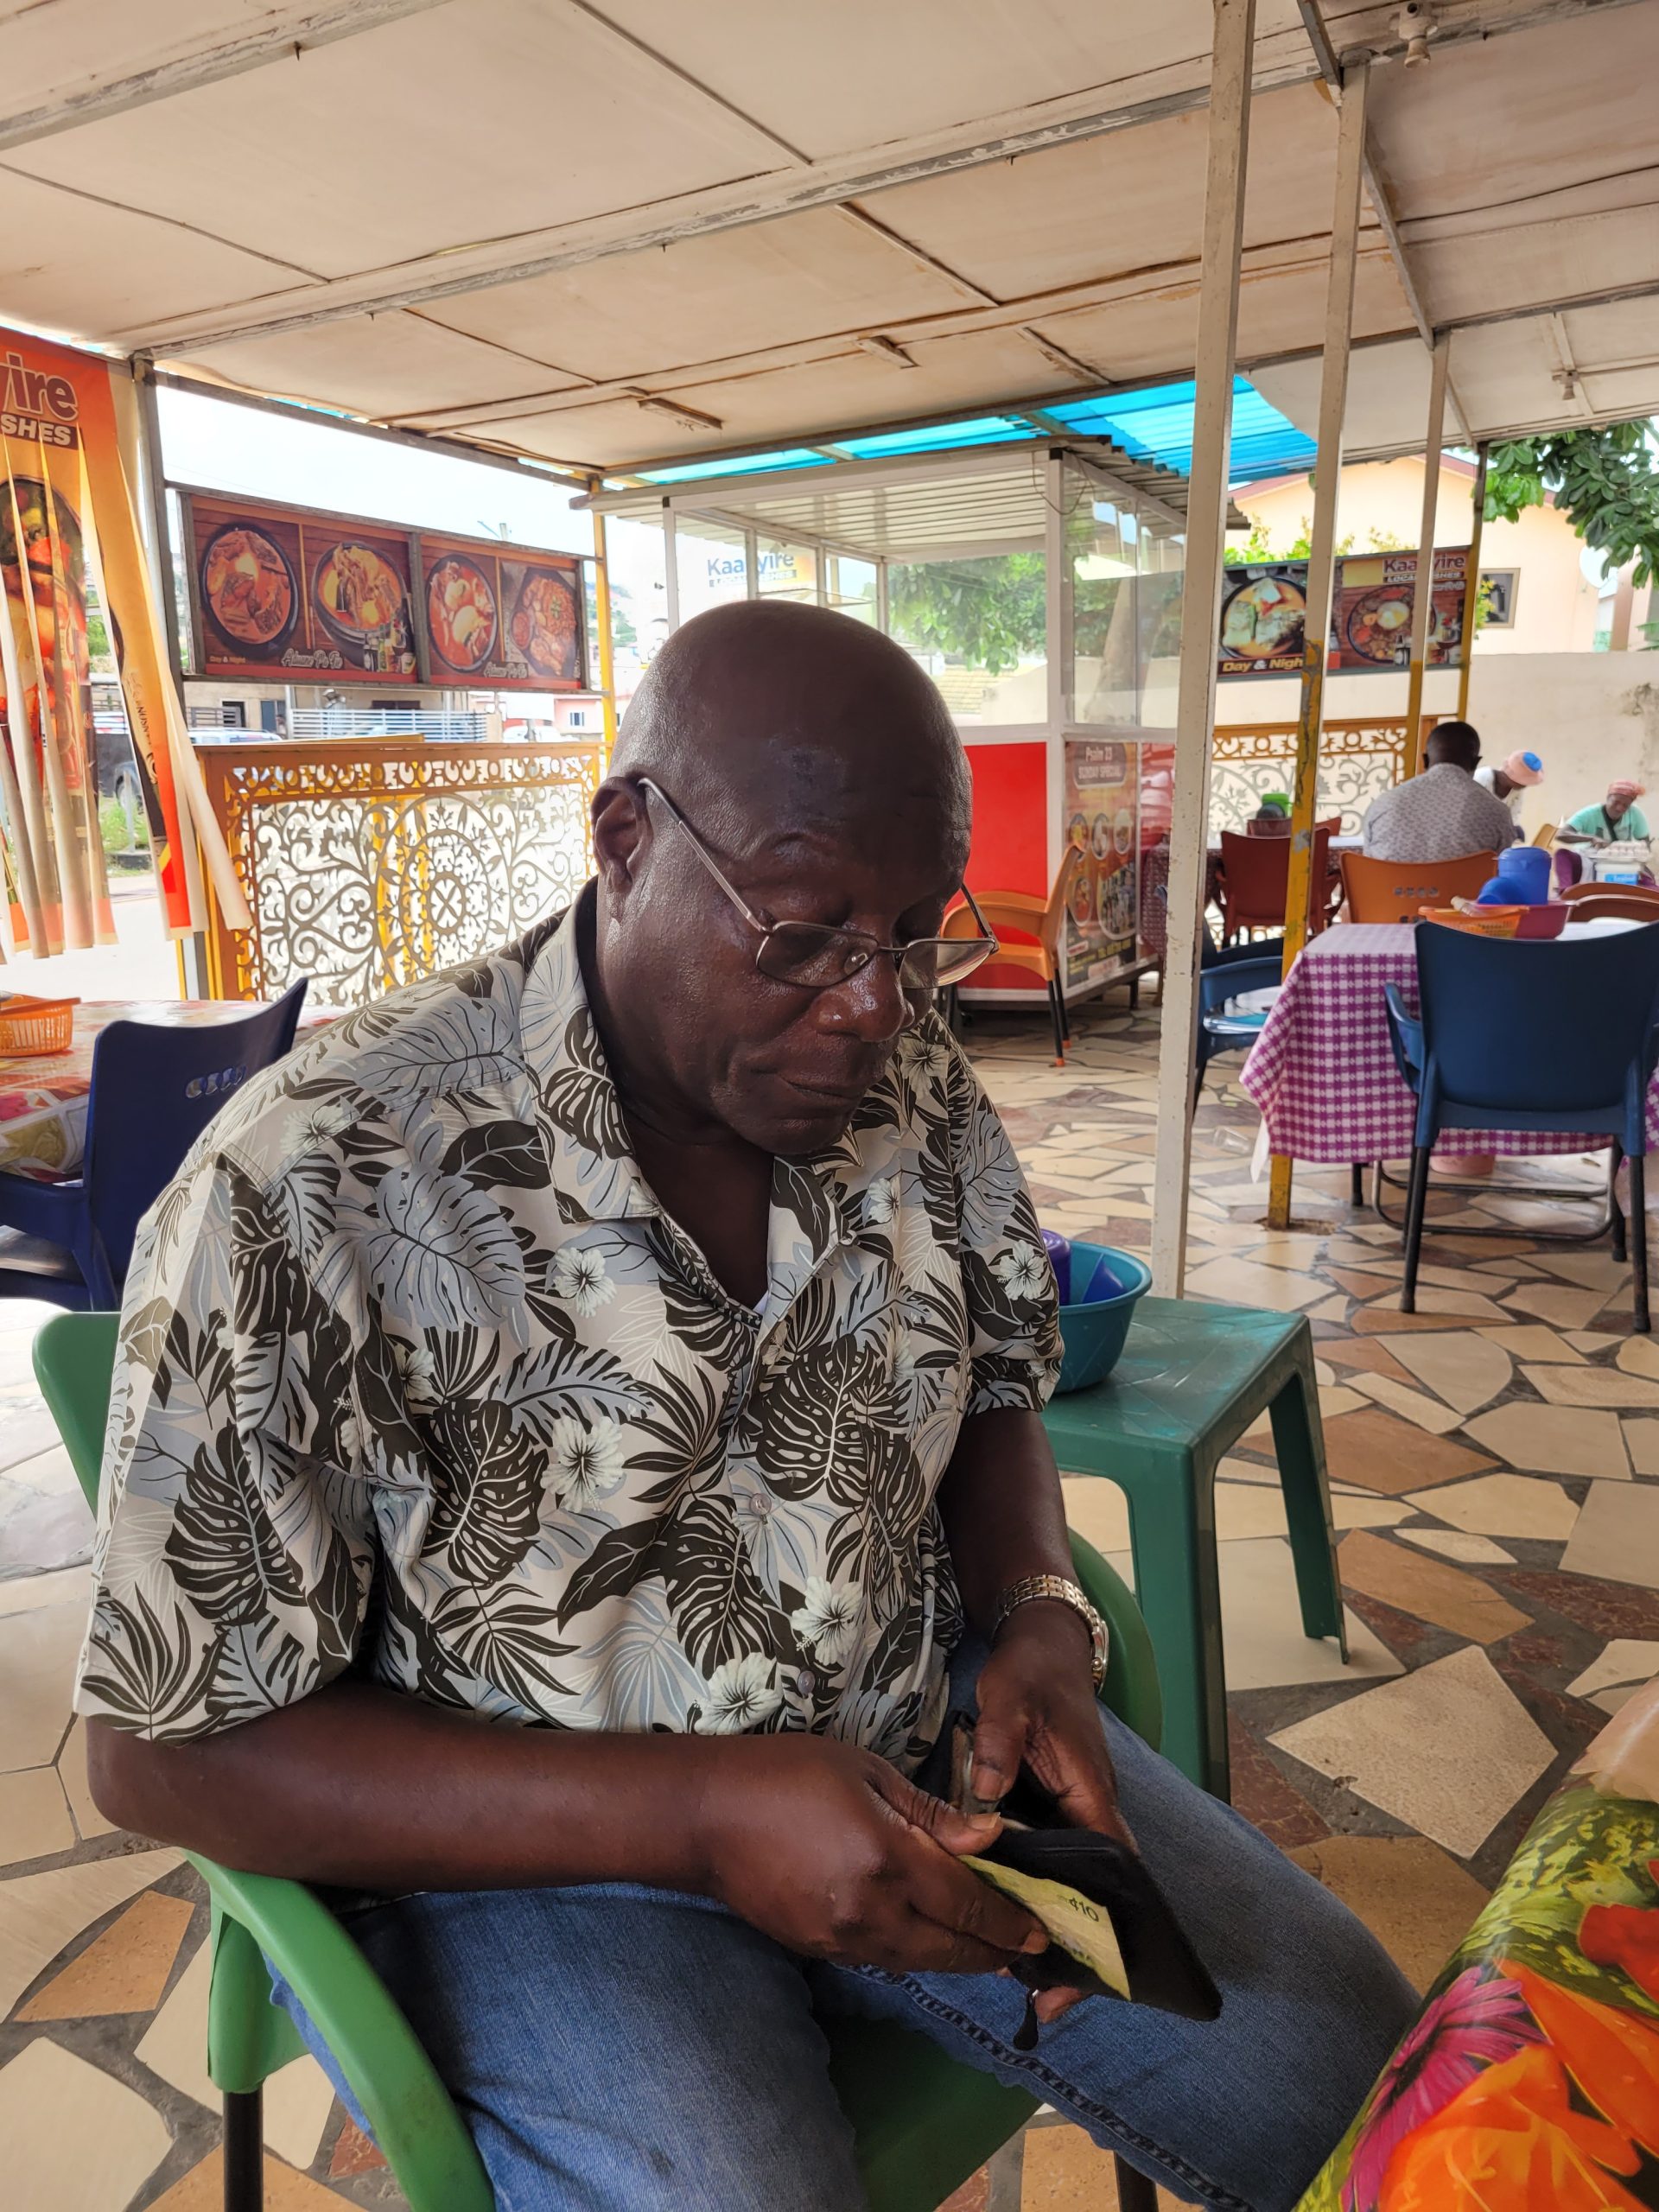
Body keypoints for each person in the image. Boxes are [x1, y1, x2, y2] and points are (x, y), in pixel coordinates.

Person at [73, 602, 1414, 2212]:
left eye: (919, 932)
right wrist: (701, 1815)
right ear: (625, 838)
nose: (875, 1005)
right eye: (802, 929)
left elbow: (991, 1380)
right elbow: (162, 1752)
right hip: (520, 1856)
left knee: (1362, 2076)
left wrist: (1037, 1612)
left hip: (917, 1759)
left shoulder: (909, 1081)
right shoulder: (315, 1178)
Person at [1359, 719, 1521, 861]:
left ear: (1425, 760)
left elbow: (1368, 862)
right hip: (1462, 896)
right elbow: (1503, 871)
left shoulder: (1381, 806)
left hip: (1387, 895)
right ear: (1475, 762)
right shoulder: (1496, 812)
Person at [1559, 779, 1650, 847]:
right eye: (1616, 802)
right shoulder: (1590, 813)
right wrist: (1591, 838)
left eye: (1625, 805)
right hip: (1588, 860)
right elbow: (1561, 834)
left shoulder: (1635, 813)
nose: (1619, 808)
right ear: (1608, 798)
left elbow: (1645, 843)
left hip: (1620, 862)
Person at [1473, 748, 1544, 828]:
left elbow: (1513, 818)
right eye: (1522, 782)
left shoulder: (1516, 791)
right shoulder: (1481, 778)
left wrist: (1514, 829)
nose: (1524, 786)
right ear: (1512, 776)